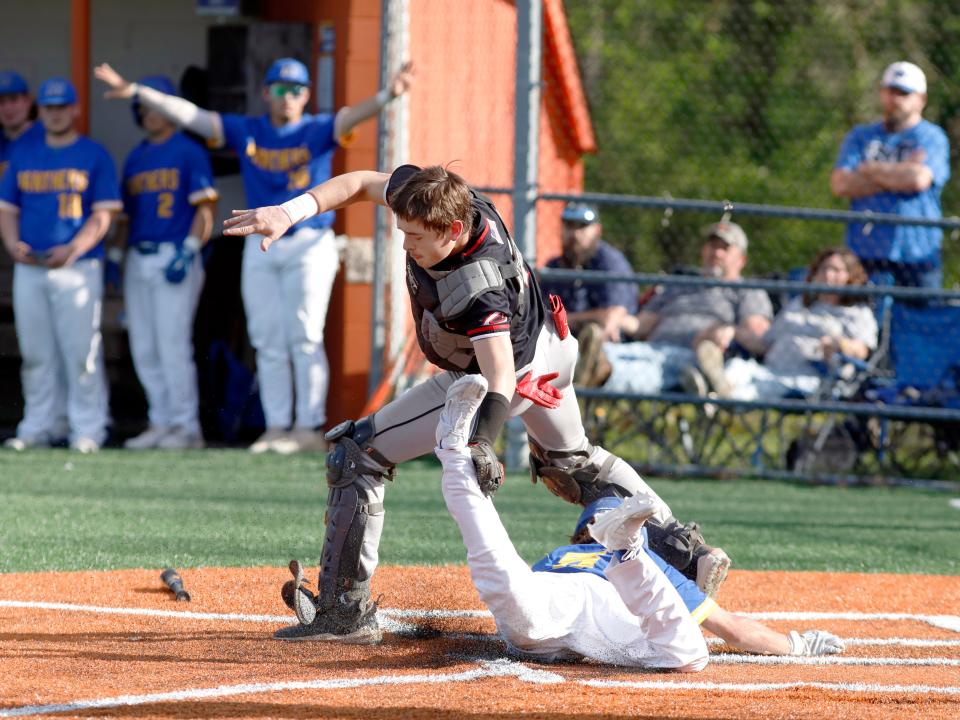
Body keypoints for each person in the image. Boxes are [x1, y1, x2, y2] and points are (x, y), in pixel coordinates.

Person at [225, 164, 731, 644]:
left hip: (499, 375)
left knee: (357, 453)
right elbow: (358, 183)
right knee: (573, 466)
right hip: (549, 348)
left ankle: (341, 613)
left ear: (451, 229)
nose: (407, 244)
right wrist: (287, 213)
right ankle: (685, 551)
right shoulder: (441, 196)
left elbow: (499, 379)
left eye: (418, 238)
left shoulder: (475, 284)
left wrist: (483, 442)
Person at [94, 58, 414, 454]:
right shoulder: (251, 130)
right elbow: (193, 117)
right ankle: (277, 426)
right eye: (280, 88)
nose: (288, 97)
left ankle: (308, 427)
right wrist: (141, 92)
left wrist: (388, 95)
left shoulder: (314, 128)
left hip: (308, 240)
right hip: (259, 240)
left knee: (305, 336)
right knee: (266, 338)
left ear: (307, 94)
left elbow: (350, 117)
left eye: (296, 89)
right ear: (266, 92)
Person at [0, 78, 122, 452]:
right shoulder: (24, 152)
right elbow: (6, 209)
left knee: (81, 351)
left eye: (61, 107)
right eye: (49, 108)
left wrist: (73, 248)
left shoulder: (94, 154)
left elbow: (104, 216)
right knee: (36, 353)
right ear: (43, 111)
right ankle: (39, 425)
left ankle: (89, 427)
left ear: (75, 109)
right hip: (31, 266)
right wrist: (11, 245)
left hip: (78, 267)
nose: (55, 114)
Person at [110, 75, 219, 450]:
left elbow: (205, 208)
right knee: (144, 345)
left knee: (172, 344)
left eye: (157, 105)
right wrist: (114, 257)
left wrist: (189, 249)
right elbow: (125, 219)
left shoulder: (189, 150)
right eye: (144, 107)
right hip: (140, 257)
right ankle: (160, 420)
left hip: (175, 252)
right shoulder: (136, 156)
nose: (150, 113)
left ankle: (186, 426)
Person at [576, 221, 773, 399]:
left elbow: (759, 341)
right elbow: (641, 326)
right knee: (605, 351)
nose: (716, 253)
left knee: (653, 370)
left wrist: (730, 330)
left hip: (693, 355)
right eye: (712, 246)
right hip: (651, 347)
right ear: (703, 250)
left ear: (741, 260)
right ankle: (587, 364)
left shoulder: (747, 291)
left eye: (725, 249)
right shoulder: (679, 284)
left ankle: (603, 372)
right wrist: (616, 316)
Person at [684, 247, 878, 402]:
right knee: (738, 368)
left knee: (757, 389)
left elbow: (862, 350)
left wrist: (840, 345)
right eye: (823, 269)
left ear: (850, 277)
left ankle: (714, 397)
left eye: (836, 270)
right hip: (769, 368)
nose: (827, 275)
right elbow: (764, 344)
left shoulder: (857, 313)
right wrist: (732, 331)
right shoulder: (800, 305)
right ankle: (715, 391)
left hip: (806, 379)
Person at [830, 61, 950, 289]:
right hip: (865, 251)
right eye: (890, 91)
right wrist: (901, 172)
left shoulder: (932, 137)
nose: (895, 99)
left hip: (917, 252)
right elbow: (841, 184)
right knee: (861, 320)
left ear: (921, 100)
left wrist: (870, 169)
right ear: (881, 93)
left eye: (904, 93)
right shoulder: (861, 136)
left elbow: (918, 180)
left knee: (922, 320)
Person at [539, 202, 638, 341]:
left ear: (597, 230)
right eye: (569, 226)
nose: (575, 233)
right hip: (560, 341)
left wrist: (565, 319)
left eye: (582, 226)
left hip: (605, 344)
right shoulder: (553, 266)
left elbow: (613, 315)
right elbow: (538, 314)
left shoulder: (609, 262)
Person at [0, 71, 44, 181]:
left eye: (14, 99)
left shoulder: (47, 137)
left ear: (28, 101)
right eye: (1, 102)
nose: (8, 107)